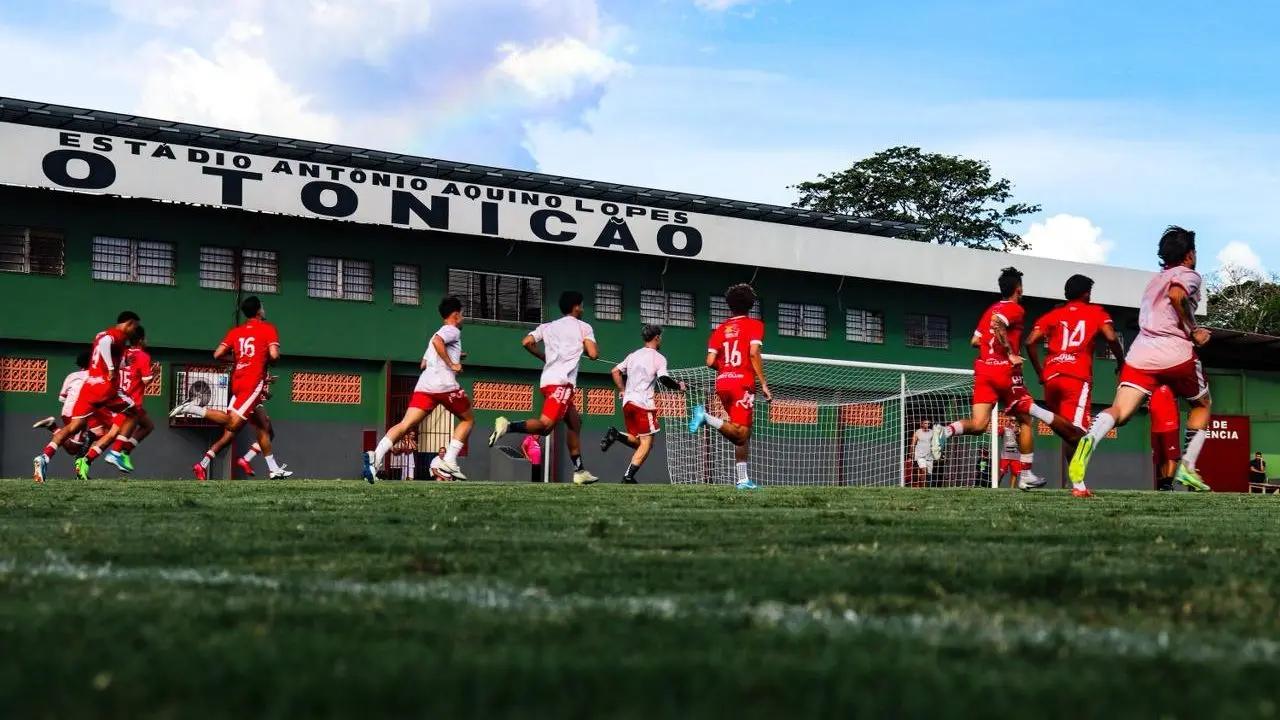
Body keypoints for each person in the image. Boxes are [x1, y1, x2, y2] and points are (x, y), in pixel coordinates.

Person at [1070, 226, 1213, 494]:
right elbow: (1177, 295)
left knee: (1120, 412)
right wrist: (1194, 330)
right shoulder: (1188, 274)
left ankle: (1090, 438)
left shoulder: (1153, 281)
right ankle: (1188, 466)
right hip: (1174, 351)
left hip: (1140, 354)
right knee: (1202, 404)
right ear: (1189, 255)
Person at [931, 268, 1083, 490]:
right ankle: (1026, 474)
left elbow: (975, 341)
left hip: (984, 370)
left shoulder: (990, 309)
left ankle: (946, 431)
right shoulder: (1015, 309)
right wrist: (1010, 352)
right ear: (1018, 288)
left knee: (979, 425)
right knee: (1026, 420)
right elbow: (997, 324)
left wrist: (993, 347)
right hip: (1004, 371)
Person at [170, 296, 292, 481]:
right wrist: (266, 361)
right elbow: (274, 355)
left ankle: (269, 467)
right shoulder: (268, 328)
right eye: (263, 306)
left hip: (238, 381)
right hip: (252, 382)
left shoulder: (236, 332)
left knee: (264, 427)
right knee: (232, 425)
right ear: (259, 310)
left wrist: (239, 360)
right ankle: (192, 408)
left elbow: (218, 354)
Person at [1024, 274, 1126, 486]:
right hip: (1076, 377)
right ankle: (1034, 410)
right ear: (1086, 293)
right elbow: (1111, 337)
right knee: (1081, 435)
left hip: (1052, 377)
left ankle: (1078, 485)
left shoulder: (1054, 314)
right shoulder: (1095, 312)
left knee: (1068, 433)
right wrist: (1121, 361)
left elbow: (1030, 341)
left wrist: (1040, 372)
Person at [489, 290, 600, 485]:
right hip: (562, 384)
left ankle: (580, 471)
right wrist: (589, 349)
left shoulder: (548, 326)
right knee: (546, 427)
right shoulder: (584, 327)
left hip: (548, 381)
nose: (582, 309)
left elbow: (527, 342)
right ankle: (507, 426)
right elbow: (593, 354)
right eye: (581, 306)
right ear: (576, 307)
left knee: (575, 423)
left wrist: (544, 357)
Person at [365, 296, 475, 484]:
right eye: (462, 314)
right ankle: (448, 461)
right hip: (444, 384)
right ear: (456, 315)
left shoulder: (434, 335)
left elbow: (424, 363)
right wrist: (452, 364)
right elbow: (439, 342)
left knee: (405, 425)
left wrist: (457, 355)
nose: (463, 318)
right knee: (468, 419)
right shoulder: (451, 330)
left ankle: (376, 456)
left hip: (425, 386)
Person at [34, 311, 140, 484]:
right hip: (105, 388)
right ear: (129, 323)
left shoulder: (101, 335)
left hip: (89, 386)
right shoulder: (117, 335)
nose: (135, 330)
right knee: (134, 413)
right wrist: (111, 368)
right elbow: (106, 345)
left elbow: (104, 352)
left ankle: (44, 456)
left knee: (73, 427)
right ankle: (116, 453)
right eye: (135, 326)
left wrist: (124, 363)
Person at [689, 283, 772, 490]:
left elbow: (710, 361)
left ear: (729, 306)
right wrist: (763, 383)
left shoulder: (720, 329)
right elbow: (753, 353)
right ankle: (705, 417)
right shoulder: (755, 325)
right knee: (741, 434)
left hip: (723, 382)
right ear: (751, 305)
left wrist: (726, 368)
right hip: (742, 383)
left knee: (742, 430)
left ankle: (743, 479)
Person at [601, 324, 685, 484]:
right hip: (643, 404)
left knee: (639, 442)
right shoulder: (659, 358)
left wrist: (623, 390)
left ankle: (616, 435)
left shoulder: (633, 355)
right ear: (657, 337)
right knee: (647, 443)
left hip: (628, 403)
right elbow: (663, 378)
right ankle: (628, 477)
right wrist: (678, 386)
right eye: (661, 337)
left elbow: (615, 371)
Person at [91, 325, 156, 475]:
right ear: (141, 340)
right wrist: (155, 374)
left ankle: (125, 451)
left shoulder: (123, 353)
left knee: (148, 425)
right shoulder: (143, 356)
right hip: (131, 401)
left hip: (119, 396)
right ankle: (89, 459)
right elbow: (146, 381)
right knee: (112, 434)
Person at [32, 351, 99, 458]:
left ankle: (53, 427)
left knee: (76, 444)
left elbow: (62, 398)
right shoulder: (96, 376)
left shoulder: (72, 376)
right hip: (80, 413)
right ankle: (53, 427)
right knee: (73, 448)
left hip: (66, 412)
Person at [1150, 385, 1180, 491]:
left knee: (1171, 456)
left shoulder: (1170, 385)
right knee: (1160, 458)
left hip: (1170, 426)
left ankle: (1168, 482)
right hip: (1155, 427)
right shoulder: (1150, 386)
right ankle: (1164, 483)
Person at [908, 420, 934, 487]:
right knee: (923, 470)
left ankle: (923, 486)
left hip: (929, 456)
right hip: (920, 455)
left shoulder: (932, 432)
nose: (927, 425)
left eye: (928, 423)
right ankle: (923, 487)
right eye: (925, 423)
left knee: (928, 473)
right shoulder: (917, 432)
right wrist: (910, 455)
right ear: (921, 424)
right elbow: (913, 444)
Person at [997, 419, 1021, 488]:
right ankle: (996, 485)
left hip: (1016, 456)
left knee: (1015, 473)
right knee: (1001, 473)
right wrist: (1003, 428)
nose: (1013, 421)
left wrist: (1017, 433)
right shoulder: (1004, 429)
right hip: (1005, 456)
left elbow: (1020, 443)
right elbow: (998, 434)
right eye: (1011, 420)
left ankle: (1012, 489)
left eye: (1014, 420)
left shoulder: (1019, 430)